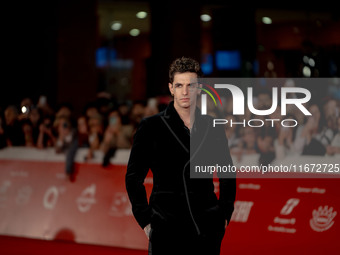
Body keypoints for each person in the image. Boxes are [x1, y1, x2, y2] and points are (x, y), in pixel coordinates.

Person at [125, 57, 236, 255]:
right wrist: (146, 220)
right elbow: (133, 177)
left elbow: (227, 173)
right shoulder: (151, 126)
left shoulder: (213, 127)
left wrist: (224, 214)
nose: (185, 92)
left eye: (190, 86)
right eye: (179, 85)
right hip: (166, 228)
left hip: (207, 228)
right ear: (171, 88)